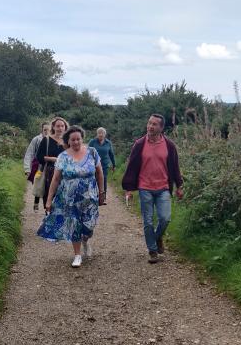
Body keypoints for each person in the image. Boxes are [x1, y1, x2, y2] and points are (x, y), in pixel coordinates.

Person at [38, 126, 106, 267]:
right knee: (74, 225)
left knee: (89, 226)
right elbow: (56, 179)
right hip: (69, 199)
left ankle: (85, 240)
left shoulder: (92, 152)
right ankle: (77, 255)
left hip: (89, 198)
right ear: (68, 141)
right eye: (72, 140)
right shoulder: (63, 157)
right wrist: (49, 200)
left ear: (82, 139)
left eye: (78, 139)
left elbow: (99, 173)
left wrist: (102, 192)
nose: (76, 142)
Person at [121, 113, 184, 264]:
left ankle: (157, 237)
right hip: (145, 187)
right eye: (149, 123)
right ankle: (152, 250)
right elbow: (132, 166)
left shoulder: (169, 145)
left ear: (161, 128)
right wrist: (129, 188)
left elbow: (175, 167)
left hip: (163, 187)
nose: (150, 126)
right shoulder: (140, 144)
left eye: (154, 124)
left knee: (165, 218)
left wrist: (179, 186)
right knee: (148, 221)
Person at [35, 117, 67, 213]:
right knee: (50, 196)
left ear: (65, 127)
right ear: (53, 127)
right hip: (50, 172)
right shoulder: (47, 140)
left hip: (65, 173)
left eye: (62, 126)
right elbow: (39, 157)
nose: (60, 128)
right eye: (58, 126)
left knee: (64, 197)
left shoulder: (68, 141)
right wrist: (52, 159)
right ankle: (49, 217)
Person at [24, 122, 50, 211]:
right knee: (38, 183)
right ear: (42, 130)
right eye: (45, 130)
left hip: (49, 166)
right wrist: (27, 168)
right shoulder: (36, 139)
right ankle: (36, 202)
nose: (47, 132)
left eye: (49, 130)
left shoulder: (53, 140)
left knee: (48, 185)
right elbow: (29, 153)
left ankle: (46, 207)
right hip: (37, 166)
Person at [87, 127, 116, 203]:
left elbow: (111, 154)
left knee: (104, 180)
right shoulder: (92, 142)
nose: (101, 135)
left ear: (105, 134)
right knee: (93, 179)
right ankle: (92, 195)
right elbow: (87, 152)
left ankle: (102, 197)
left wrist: (114, 164)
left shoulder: (108, 143)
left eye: (102, 133)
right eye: (99, 133)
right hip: (93, 165)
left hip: (104, 165)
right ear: (97, 134)